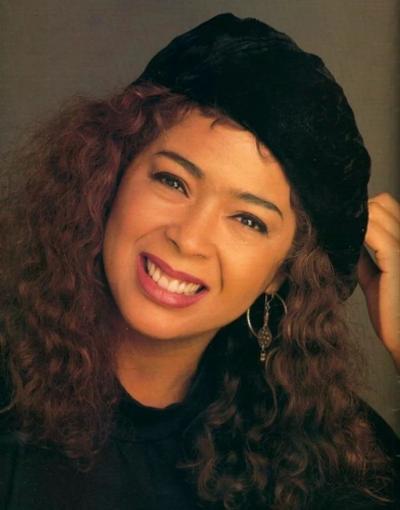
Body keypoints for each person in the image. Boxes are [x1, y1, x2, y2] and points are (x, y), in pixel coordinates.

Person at [0, 13, 399, 510]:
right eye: (173, 181)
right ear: (110, 177)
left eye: (248, 220)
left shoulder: (321, 457)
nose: (189, 239)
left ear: (282, 272)